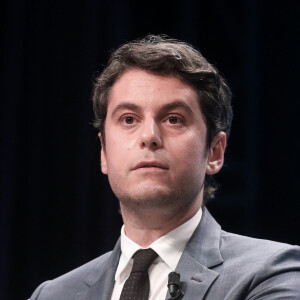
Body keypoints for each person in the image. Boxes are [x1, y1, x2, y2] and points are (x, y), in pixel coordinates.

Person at [30, 35, 300, 300]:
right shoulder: (53, 294)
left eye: (173, 119)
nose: (149, 136)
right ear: (103, 152)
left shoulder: (272, 275)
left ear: (215, 152)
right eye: (128, 119)